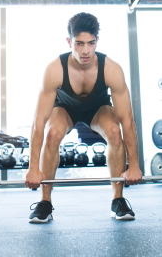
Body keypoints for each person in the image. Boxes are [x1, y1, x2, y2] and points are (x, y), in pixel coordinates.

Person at [24, 12, 143, 223]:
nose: (86, 50)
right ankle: (44, 202)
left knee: (115, 132)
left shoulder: (112, 70)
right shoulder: (54, 70)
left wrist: (133, 164)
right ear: (69, 41)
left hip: (98, 108)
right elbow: (38, 122)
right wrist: (33, 168)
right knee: (52, 133)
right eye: (79, 43)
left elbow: (127, 120)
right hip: (65, 109)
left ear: (97, 41)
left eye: (91, 43)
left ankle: (118, 200)